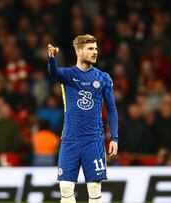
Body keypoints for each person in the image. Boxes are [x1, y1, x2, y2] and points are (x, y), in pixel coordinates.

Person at [47, 34, 118, 203]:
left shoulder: (103, 78)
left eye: (96, 49)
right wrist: (51, 59)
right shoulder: (67, 75)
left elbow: (112, 109)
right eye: (90, 49)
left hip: (94, 140)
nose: (95, 52)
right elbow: (53, 73)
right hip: (70, 139)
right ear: (79, 50)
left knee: (94, 187)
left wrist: (114, 137)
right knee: (65, 186)